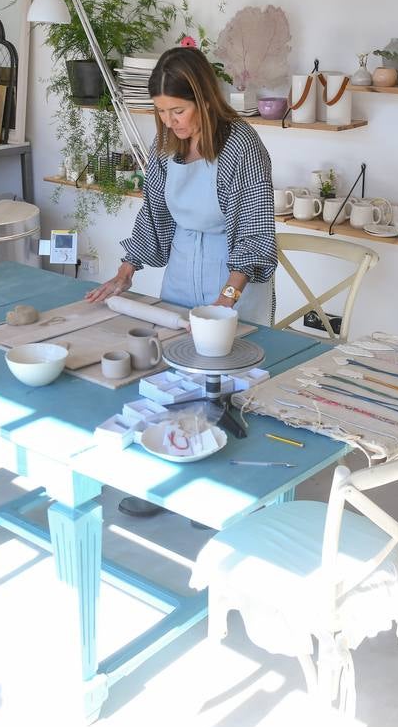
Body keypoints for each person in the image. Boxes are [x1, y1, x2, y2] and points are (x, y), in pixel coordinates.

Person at [85, 45, 277, 517]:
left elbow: (253, 233)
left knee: (229, 388)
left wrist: (225, 302)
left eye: (178, 110)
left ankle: (229, 499)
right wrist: (126, 270)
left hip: (232, 271)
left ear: (204, 100)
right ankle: (169, 483)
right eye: (161, 112)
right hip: (183, 267)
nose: (170, 121)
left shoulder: (243, 147)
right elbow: (154, 214)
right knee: (177, 378)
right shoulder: (165, 146)